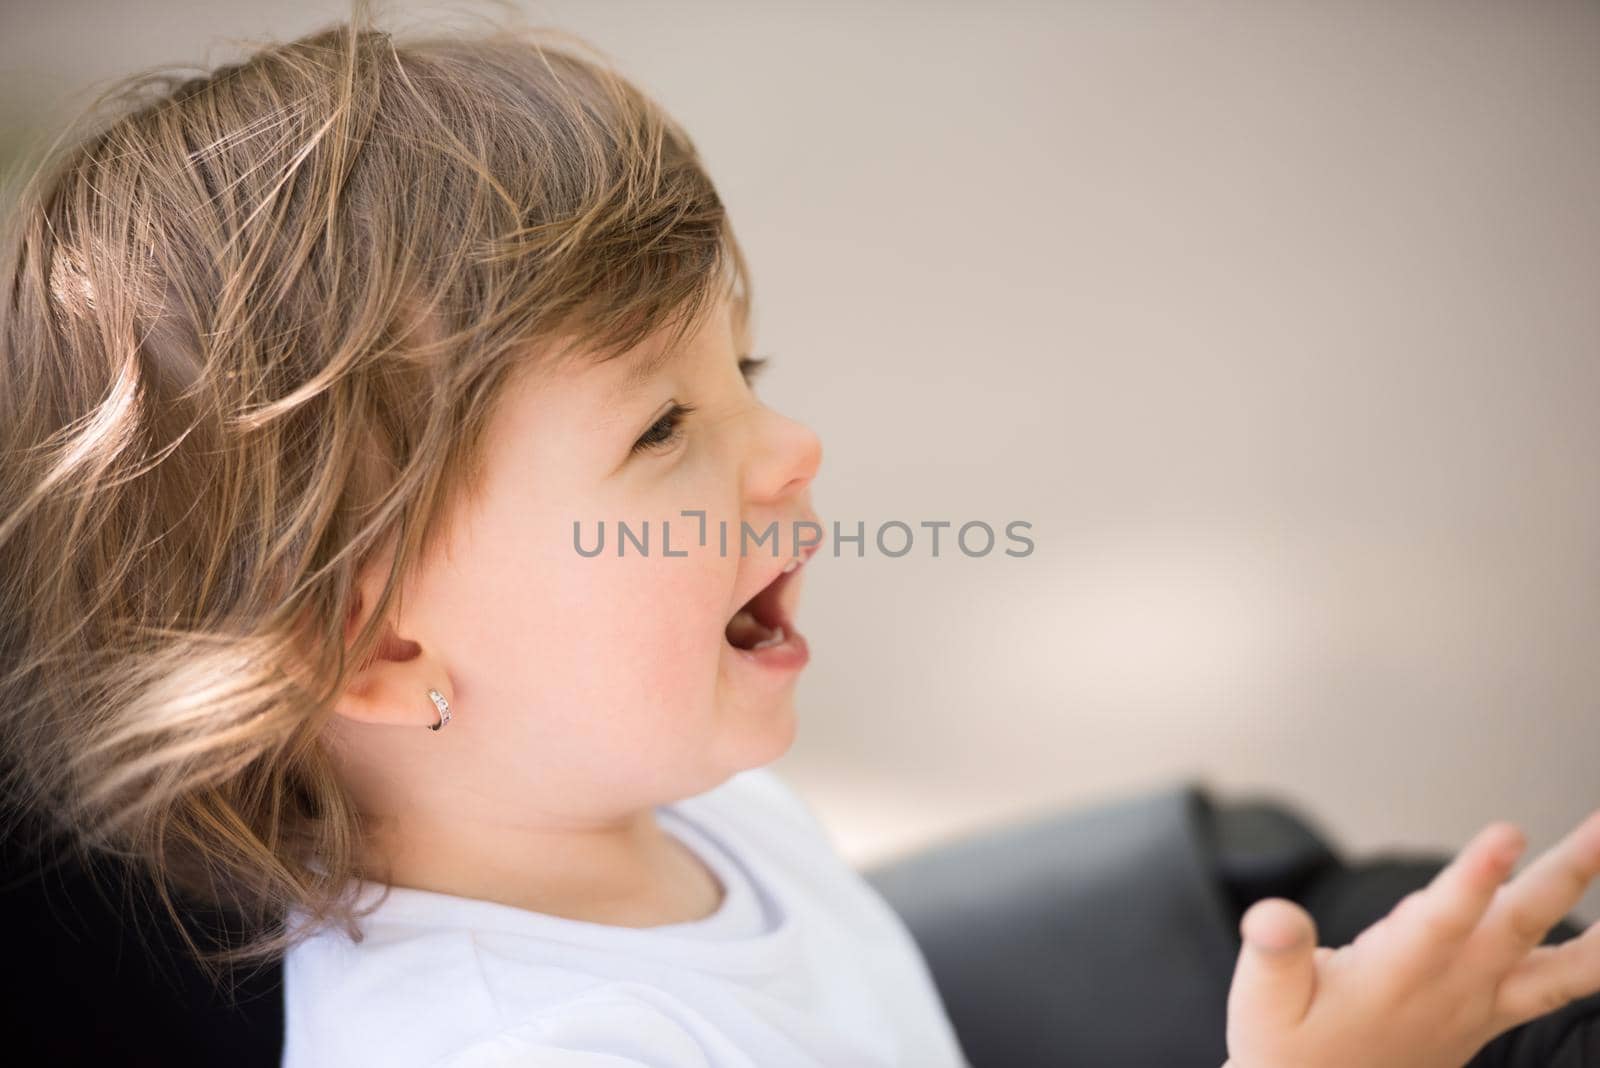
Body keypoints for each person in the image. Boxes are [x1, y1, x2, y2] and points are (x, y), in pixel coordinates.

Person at [1, 6, 1596, 1066]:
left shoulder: (666, 810)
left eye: (739, 374)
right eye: (662, 429)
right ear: (379, 644)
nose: (794, 447)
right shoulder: (522, 1049)